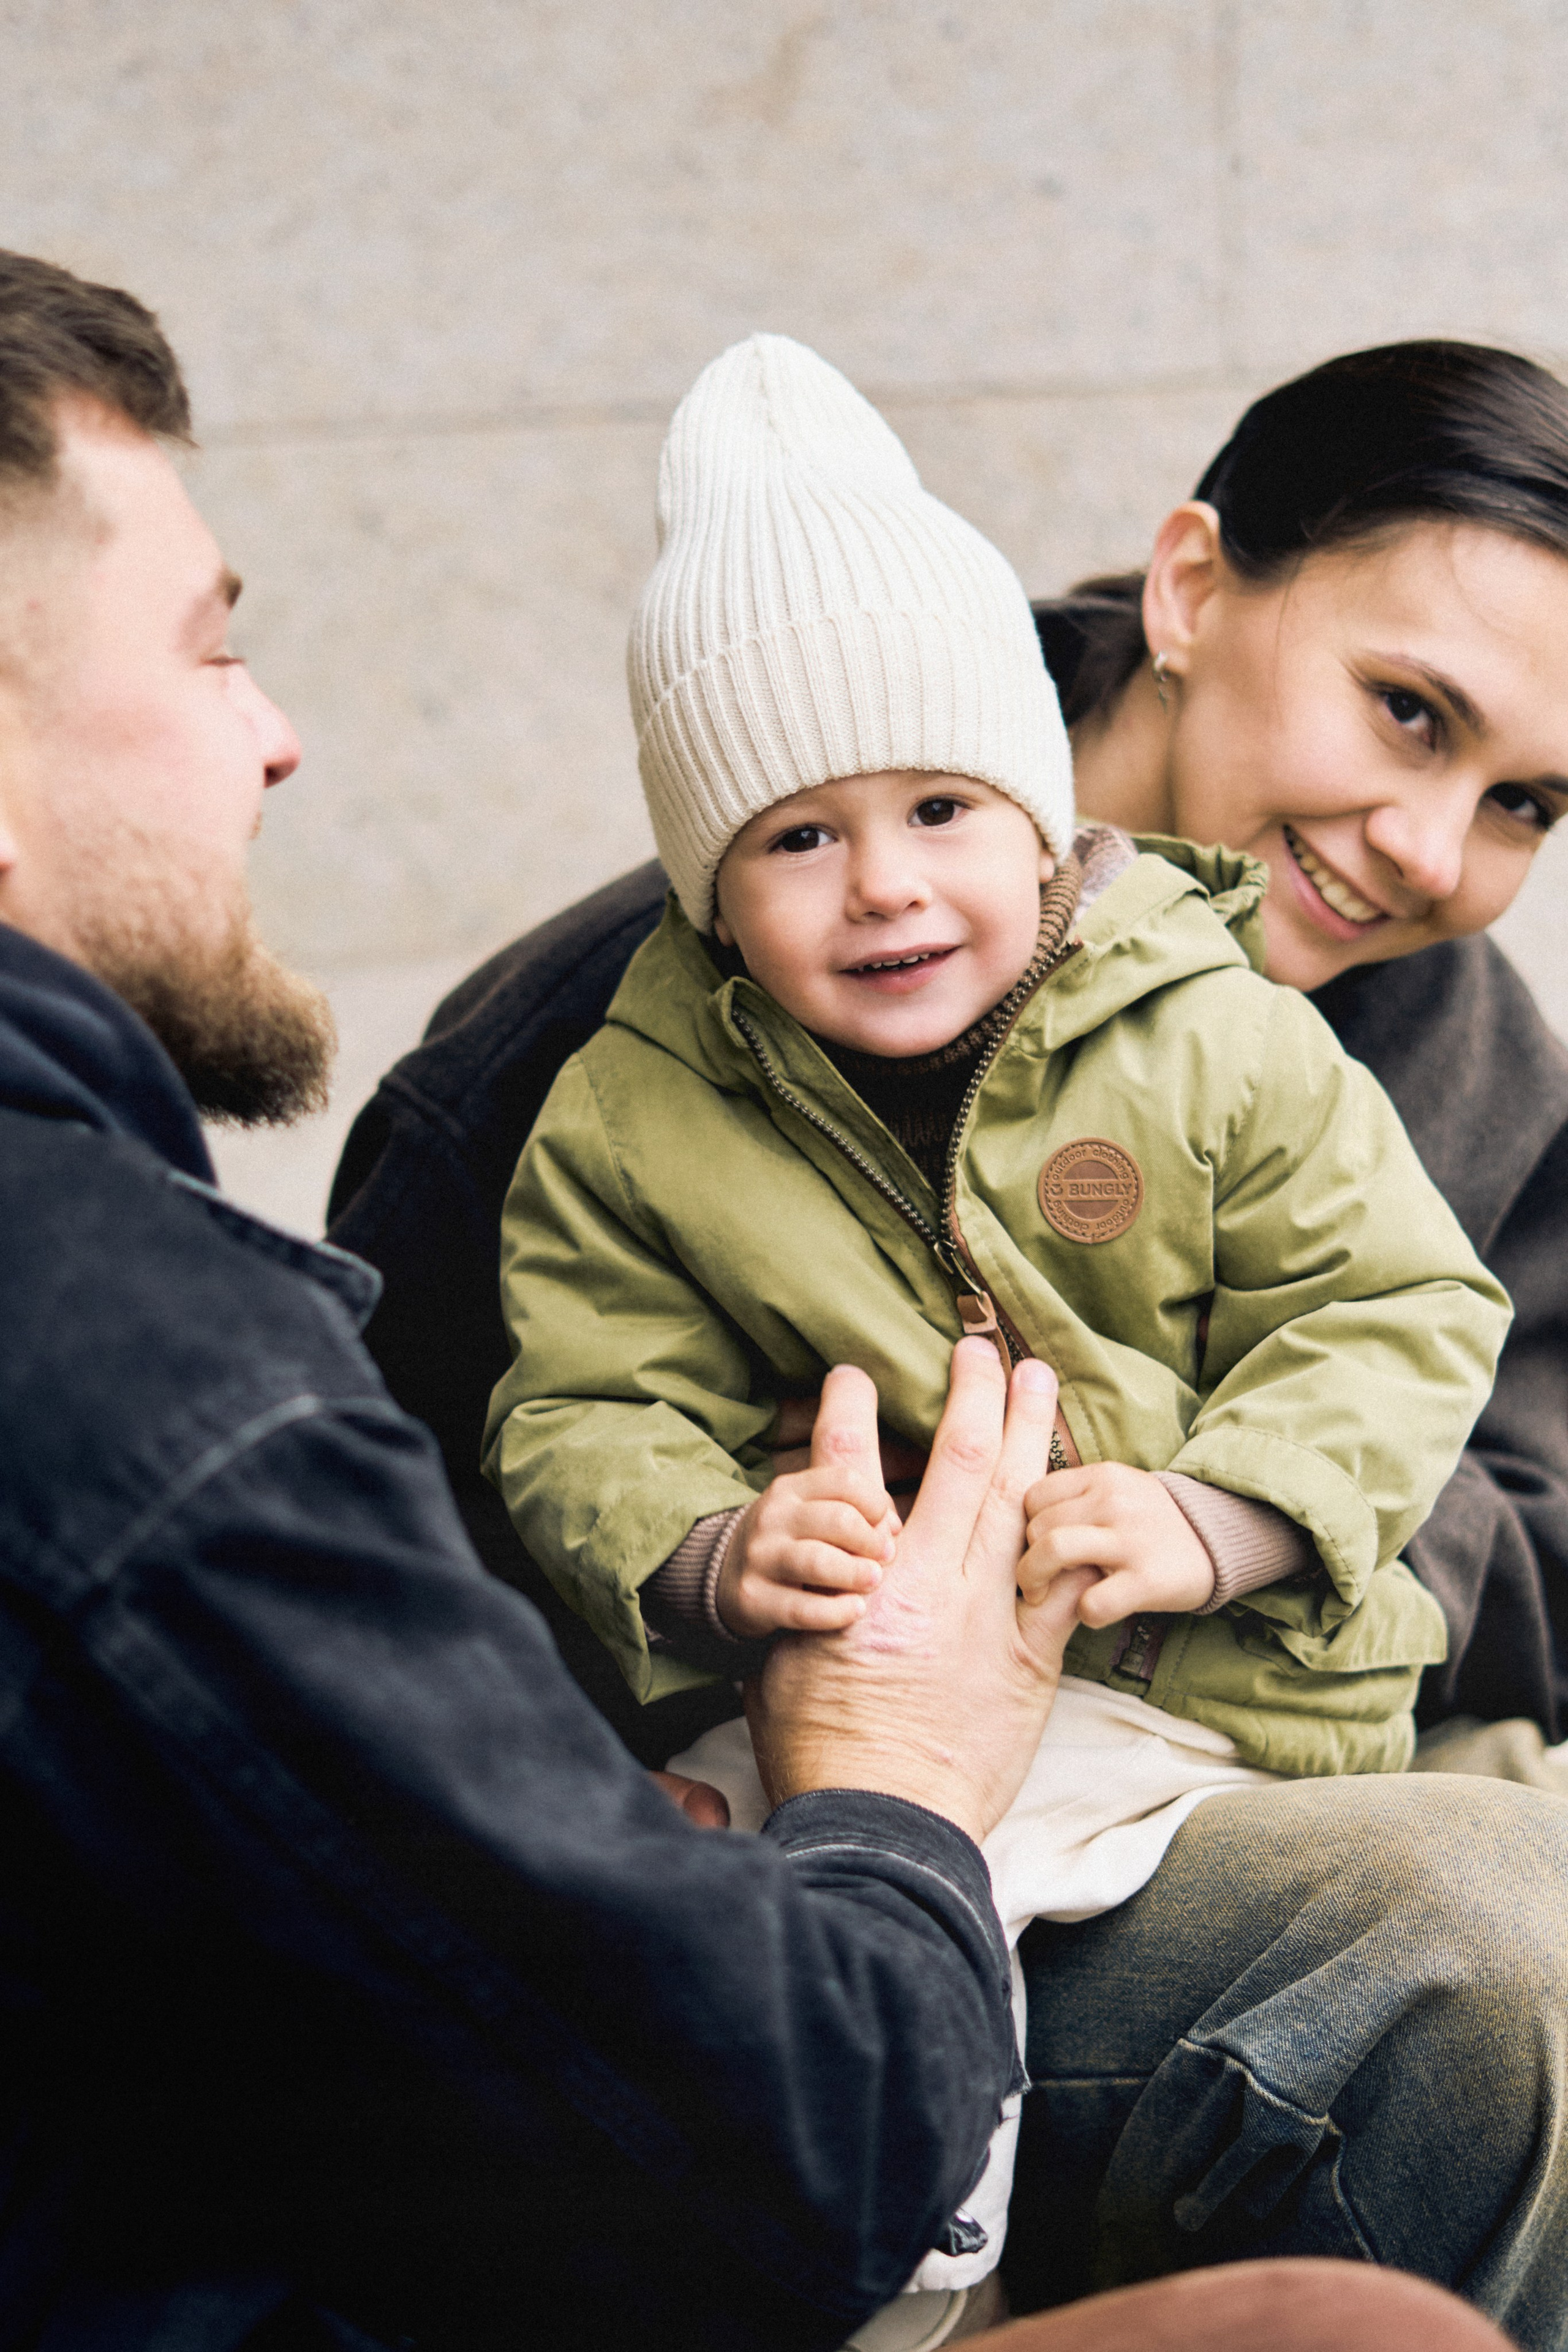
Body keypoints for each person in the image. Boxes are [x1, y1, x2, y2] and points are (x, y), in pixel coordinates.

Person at [326, 334, 1568, 2342]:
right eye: (1406, 712)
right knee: (1493, 1950)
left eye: (1526, 801)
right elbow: (453, 1519)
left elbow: (1507, 1458)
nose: (1433, 850)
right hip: (776, 1816)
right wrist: (734, 1574)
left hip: (1274, 1709)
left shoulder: (1442, 1032)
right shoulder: (593, 1073)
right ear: (1191, 588)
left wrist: (1227, 1521)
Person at [0, 245, 1173, 2352]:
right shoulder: (148, 1382)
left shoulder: (1281, 1031)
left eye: (948, 812)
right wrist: (886, 1778)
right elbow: (782, 2159)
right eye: (208, 651)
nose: (275, 739)